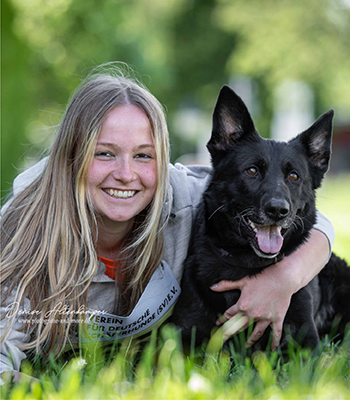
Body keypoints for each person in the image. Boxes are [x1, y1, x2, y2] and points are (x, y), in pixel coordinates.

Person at [0, 64, 335, 380]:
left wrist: (284, 278)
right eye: (104, 153)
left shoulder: (185, 199)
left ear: (161, 159)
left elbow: (319, 226)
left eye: (144, 155)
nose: (126, 175)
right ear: (72, 155)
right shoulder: (23, 228)